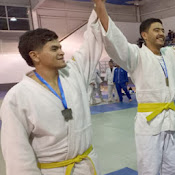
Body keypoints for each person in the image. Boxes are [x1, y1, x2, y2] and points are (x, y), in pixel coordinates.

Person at [94, 1, 175, 174]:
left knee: (172, 168)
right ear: (144, 35)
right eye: (156, 30)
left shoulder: (169, 54)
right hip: (149, 123)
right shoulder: (137, 55)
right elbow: (116, 42)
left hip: (169, 121)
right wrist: (101, 7)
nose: (162, 33)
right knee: (149, 168)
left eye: (163, 30)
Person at [0, 7, 103, 174]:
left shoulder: (73, 73)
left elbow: (92, 42)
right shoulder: (17, 97)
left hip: (87, 165)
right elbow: (17, 153)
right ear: (35, 55)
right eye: (54, 49)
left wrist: (99, 8)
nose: (62, 52)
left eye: (60, 47)